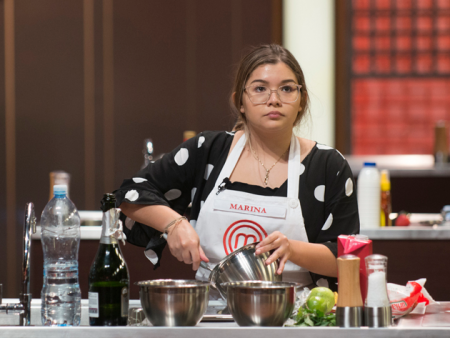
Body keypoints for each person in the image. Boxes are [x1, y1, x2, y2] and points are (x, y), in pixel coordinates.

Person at [114, 44, 359, 291]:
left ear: (301, 101)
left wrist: (293, 249)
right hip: (211, 313)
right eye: (260, 89)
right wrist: (174, 224)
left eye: (286, 89)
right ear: (239, 101)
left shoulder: (329, 165)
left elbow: (348, 258)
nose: (274, 100)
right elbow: (129, 194)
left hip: (293, 315)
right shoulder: (208, 150)